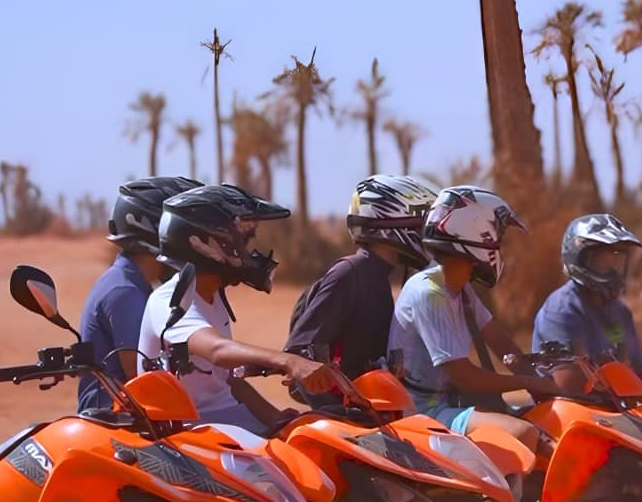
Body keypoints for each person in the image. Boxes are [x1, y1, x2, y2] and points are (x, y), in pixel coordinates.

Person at [139, 184, 334, 435]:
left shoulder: (213, 296)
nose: (248, 252)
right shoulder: (169, 301)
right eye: (241, 241)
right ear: (209, 245)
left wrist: (276, 418)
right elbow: (218, 351)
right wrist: (289, 361)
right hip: (191, 432)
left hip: (228, 422)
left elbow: (227, 379)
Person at [388, 186, 555, 449]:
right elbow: (464, 376)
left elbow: (499, 341)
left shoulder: (459, 287)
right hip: (422, 412)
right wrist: (529, 382)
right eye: (498, 235)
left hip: (451, 402)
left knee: (548, 424)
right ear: (475, 231)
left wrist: (544, 388)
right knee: (522, 433)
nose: (499, 245)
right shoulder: (429, 292)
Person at [286, 175, 439, 390]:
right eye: (420, 224)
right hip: (345, 407)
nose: (425, 233)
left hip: (375, 404)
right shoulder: (351, 273)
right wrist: (338, 403)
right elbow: (300, 353)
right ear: (391, 220)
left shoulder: (379, 276)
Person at [78, 176, 202, 411]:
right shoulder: (125, 292)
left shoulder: (128, 282)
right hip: (115, 421)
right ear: (156, 231)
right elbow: (142, 378)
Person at [533, 214, 642, 401]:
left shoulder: (619, 311)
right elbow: (570, 385)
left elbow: (639, 367)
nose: (613, 270)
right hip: (570, 411)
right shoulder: (563, 310)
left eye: (618, 260)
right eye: (604, 261)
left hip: (614, 408)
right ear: (579, 258)